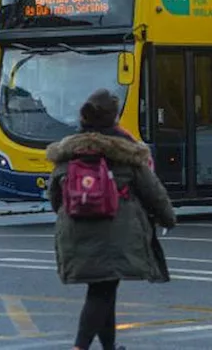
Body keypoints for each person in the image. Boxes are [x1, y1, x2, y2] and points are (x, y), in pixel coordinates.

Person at [48, 89, 176, 350]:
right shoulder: (126, 153)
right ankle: (79, 347)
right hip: (116, 234)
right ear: (113, 118)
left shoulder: (68, 153)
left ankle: (109, 347)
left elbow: (55, 196)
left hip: (74, 229)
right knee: (102, 291)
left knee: (104, 288)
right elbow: (154, 193)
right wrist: (168, 219)